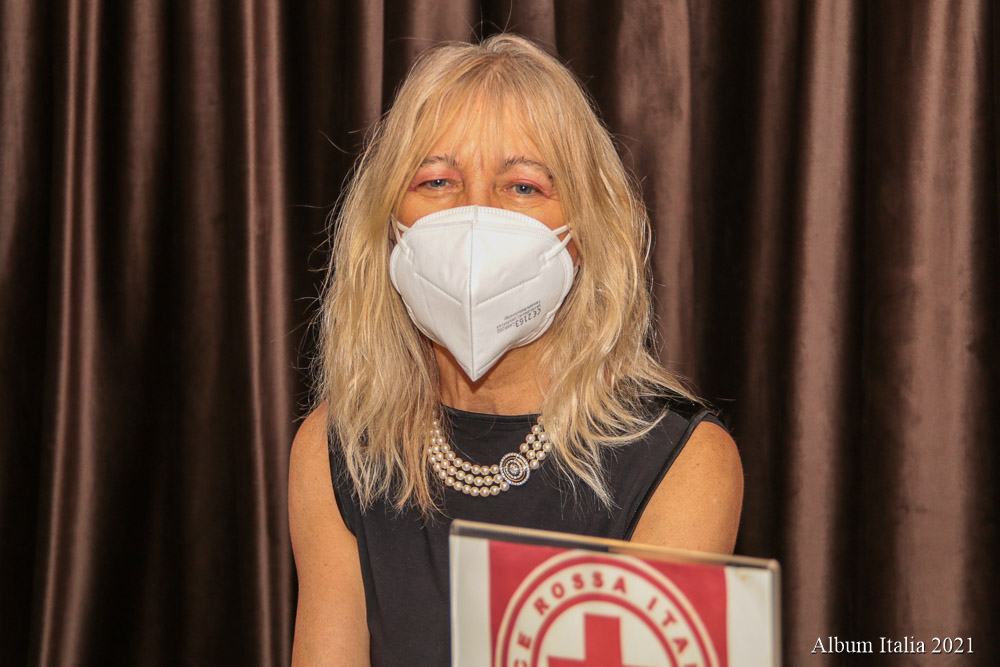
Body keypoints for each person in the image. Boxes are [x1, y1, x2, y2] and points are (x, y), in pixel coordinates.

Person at [288, 34, 743, 666]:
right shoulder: (337, 449)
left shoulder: (683, 464)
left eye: (523, 187)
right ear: (390, 226)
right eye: (437, 180)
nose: (475, 215)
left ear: (582, 232)